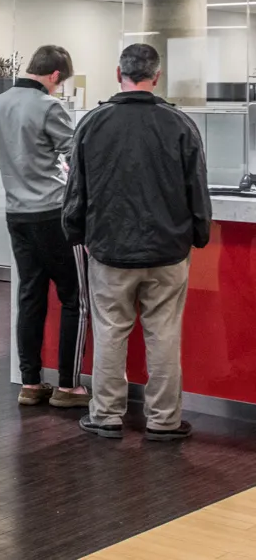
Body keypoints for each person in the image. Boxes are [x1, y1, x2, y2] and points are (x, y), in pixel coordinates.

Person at [63, 43, 211, 441]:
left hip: (109, 250)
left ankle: (107, 415)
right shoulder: (180, 124)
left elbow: (77, 189)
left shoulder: (92, 123)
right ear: (157, 76)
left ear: (118, 74)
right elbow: (196, 186)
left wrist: (77, 233)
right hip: (168, 250)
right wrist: (198, 235)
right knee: (163, 333)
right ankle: (164, 420)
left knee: (111, 331)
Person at [0, 45, 89, 409]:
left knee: (29, 296)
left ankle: (30, 383)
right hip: (52, 214)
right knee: (73, 297)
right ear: (55, 76)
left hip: (16, 214)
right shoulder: (49, 106)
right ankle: (68, 386)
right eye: (61, 84)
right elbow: (76, 156)